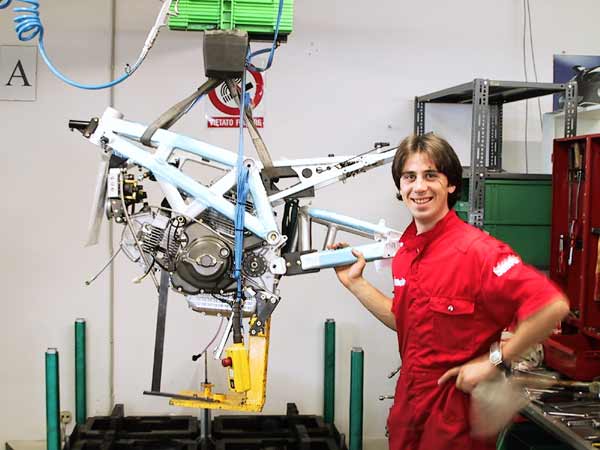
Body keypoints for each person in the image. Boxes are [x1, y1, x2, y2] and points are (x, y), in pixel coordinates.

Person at [331, 133, 569, 450]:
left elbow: (551, 306)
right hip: (410, 412)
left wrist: (492, 361)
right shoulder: (406, 249)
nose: (419, 187)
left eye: (431, 175)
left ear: (451, 184)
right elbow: (404, 320)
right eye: (409, 177)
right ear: (400, 187)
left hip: (456, 423)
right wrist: (356, 284)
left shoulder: (478, 251)